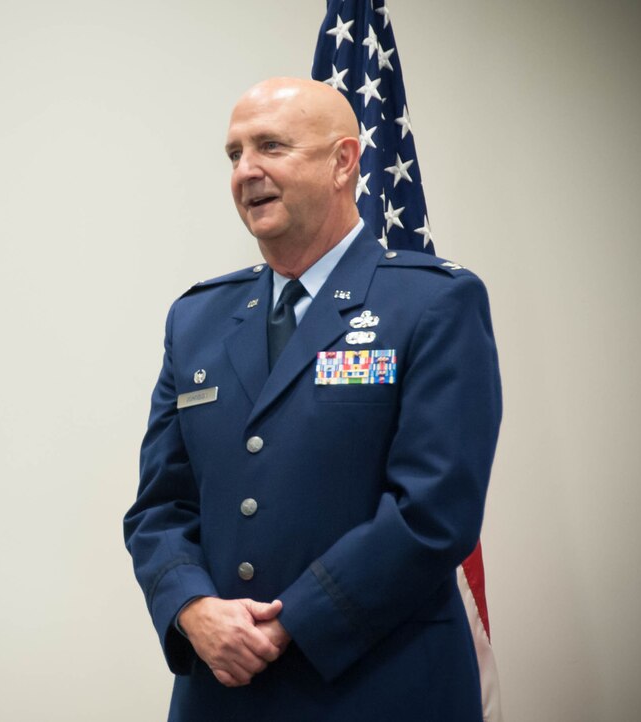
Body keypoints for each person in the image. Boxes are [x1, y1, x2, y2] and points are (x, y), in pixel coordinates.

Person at [123, 77, 502, 720]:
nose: (247, 171)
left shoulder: (433, 302)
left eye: (271, 145)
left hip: (381, 686)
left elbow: (434, 510)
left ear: (344, 162)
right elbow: (160, 506)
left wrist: (288, 623)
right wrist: (192, 609)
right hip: (223, 693)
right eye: (234, 154)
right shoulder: (197, 319)